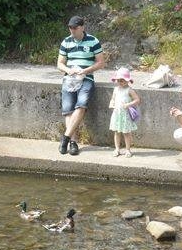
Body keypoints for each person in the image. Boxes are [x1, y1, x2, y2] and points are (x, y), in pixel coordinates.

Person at [56, 16, 105, 155]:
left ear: (82, 27)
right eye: (70, 27)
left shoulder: (93, 41)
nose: (72, 30)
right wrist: (68, 70)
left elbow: (101, 63)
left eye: (75, 28)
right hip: (69, 78)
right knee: (68, 110)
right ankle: (73, 142)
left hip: (86, 78)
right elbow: (60, 64)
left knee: (81, 105)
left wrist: (85, 71)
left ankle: (65, 138)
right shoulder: (66, 42)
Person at [108, 67, 140, 157]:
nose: (120, 82)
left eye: (122, 80)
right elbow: (113, 99)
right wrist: (112, 104)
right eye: (118, 80)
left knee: (126, 133)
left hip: (125, 115)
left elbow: (137, 100)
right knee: (117, 132)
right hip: (117, 114)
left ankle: (128, 149)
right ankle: (117, 148)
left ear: (127, 81)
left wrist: (128, 104)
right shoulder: (116, 89)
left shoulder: (129, 90)